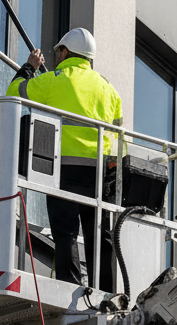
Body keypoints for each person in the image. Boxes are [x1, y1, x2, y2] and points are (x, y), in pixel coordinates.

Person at [7, 27, 122, 290]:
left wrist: (30, 66)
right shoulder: (108, 89)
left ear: (65, 52)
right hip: (99, 174)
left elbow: (14, 93)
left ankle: (69, 287)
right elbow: (117, 133)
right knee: (99, 237)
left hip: (63, 169)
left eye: (59, 51)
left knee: (66, 232)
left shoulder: (54, 80)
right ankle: (105, 292)